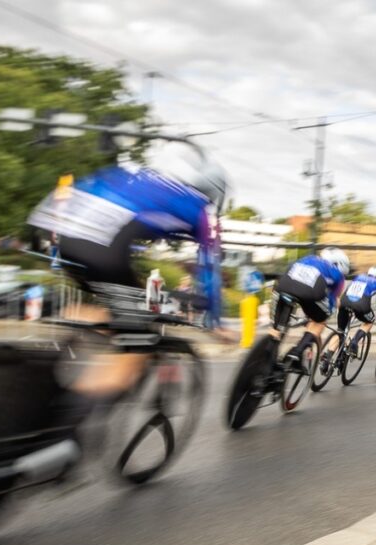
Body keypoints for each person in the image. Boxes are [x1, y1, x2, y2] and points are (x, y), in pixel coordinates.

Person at [27, 142, 229, 399]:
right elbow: (208, 268)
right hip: (100, 246)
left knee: (123, 306)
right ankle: (72, 415)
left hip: (58, 230)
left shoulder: (144, 179)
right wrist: (214, 321)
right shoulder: (198, 209)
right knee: (139, 343)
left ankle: (62, 329)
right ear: (213, 193)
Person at [273, 248, 350, 371]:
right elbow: (332, 299)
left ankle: (269, 356)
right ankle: (296, 352)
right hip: (310, 292)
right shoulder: (337, 274)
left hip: (283, 284)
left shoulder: (308, 258)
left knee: (277, 330)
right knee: (320, 321)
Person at [322, 266, 376, 366]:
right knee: (369, 322)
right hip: (361, 305)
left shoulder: (359, 277)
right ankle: (354, 342)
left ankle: (327, 357)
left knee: (341, 330)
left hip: (344, 302)